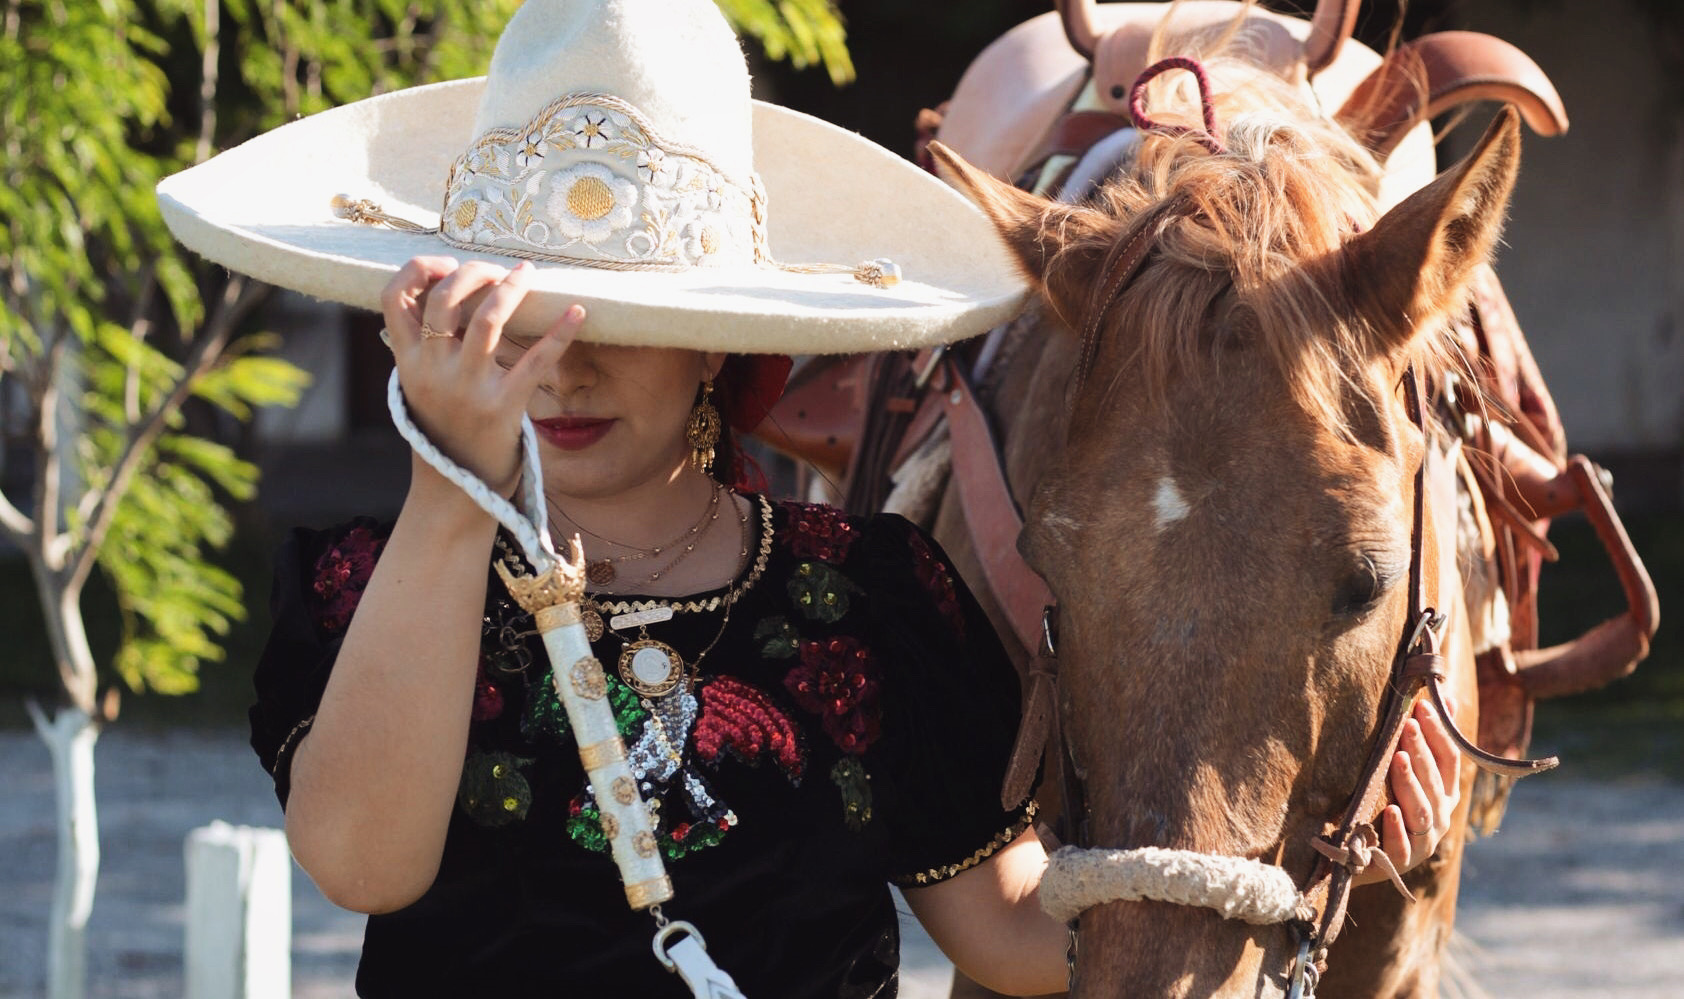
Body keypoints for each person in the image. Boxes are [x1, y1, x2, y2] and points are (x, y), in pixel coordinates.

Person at [157, 1, 1463, 995]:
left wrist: (1311, 863)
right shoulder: (368, 583)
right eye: (522, 314)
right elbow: (361, 863)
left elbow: (1017, 935)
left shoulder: (873, 597)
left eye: (623, 315)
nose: (568, 363)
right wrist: (452, 492)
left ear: (721, 338)